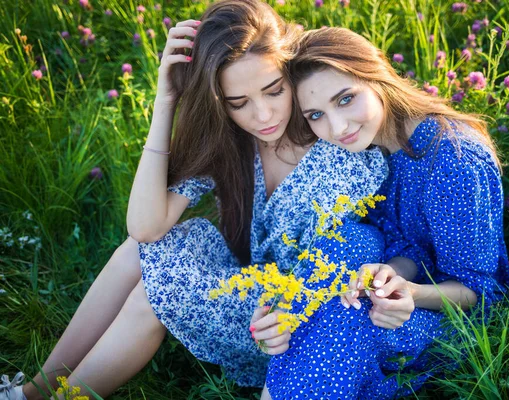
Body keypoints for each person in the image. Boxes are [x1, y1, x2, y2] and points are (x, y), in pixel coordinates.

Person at [0, 5, 388, 400]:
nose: (263, 114)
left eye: (274, 90)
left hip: (289, 322)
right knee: (141, 250)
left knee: (156, 293)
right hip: (245, 284)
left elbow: (341, 263)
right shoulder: (234, 140)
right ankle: (35, 390)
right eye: (238, 102)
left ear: (291, 74)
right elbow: (146, 228)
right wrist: (165, 101)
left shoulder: (338, 144)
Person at [264, 27, 509, 399]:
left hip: (454, 316)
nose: (337, 127)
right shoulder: (367, 150)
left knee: (344, 316)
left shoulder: (454, 162)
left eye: (345, 99)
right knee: (340, 252)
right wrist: (390, 273)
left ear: (375, 77)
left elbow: (476, 291)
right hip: (397, 285)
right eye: (316, 114)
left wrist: (408, 291)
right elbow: (408, 244)